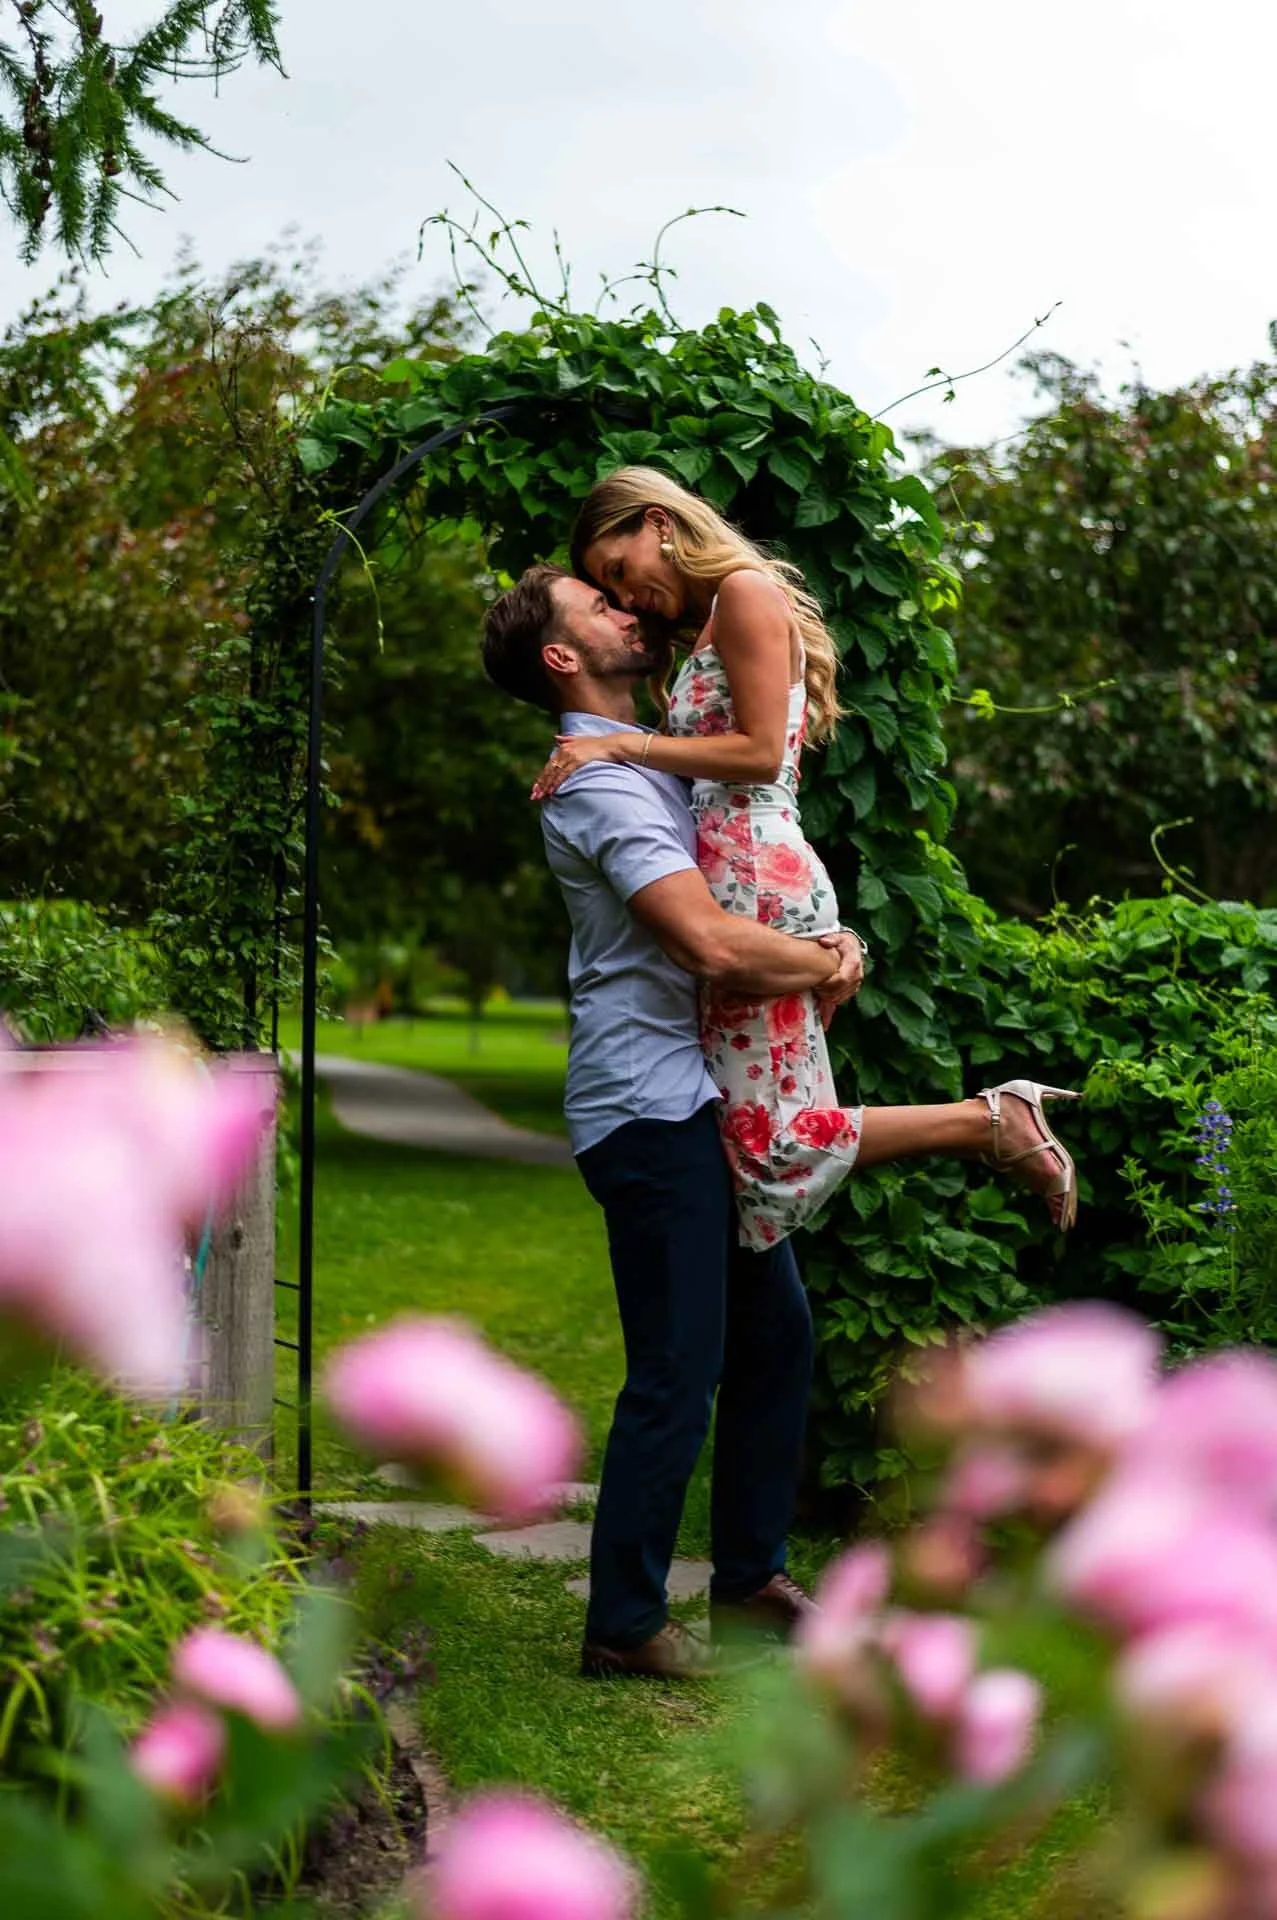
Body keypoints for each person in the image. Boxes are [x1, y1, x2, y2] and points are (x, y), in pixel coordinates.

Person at [532, 467, 1080, 1249]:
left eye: (619, 572)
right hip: (740, 865)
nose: (626, 599)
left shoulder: (747, 593)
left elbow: (757, 753)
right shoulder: (715, 618)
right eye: (607, 594)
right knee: (760, 1134)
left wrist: (619, 742)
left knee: (767, 1138)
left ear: (658, 523)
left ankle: (989, 1121)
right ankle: (756, 1325)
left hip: (750, 867)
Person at [482, 564, 866, 1679]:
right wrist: (832, 959)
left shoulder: (637, 757)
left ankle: (749, 1581)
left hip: (691, 1089)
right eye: (594, 606)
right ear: (561, 657)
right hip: (645, 1106)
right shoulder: (595, 785)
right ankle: (624, 1621)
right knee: (676, 1363)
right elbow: (703, 942)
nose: (625, 608)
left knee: (775, 1335)